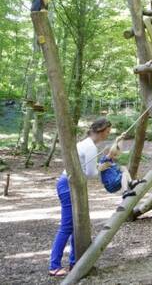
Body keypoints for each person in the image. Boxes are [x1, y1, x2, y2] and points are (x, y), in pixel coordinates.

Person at [48, 118, 112, 277]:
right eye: (108, 132)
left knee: (77, 225)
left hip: (70, 184)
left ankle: (74, 261)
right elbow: (91, 173)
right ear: (101, 130)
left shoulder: (87, 144)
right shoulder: (89, 147)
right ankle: (54, 265)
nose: (108, 135)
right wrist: (102, 167)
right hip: (68, 185)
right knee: (67, 226)